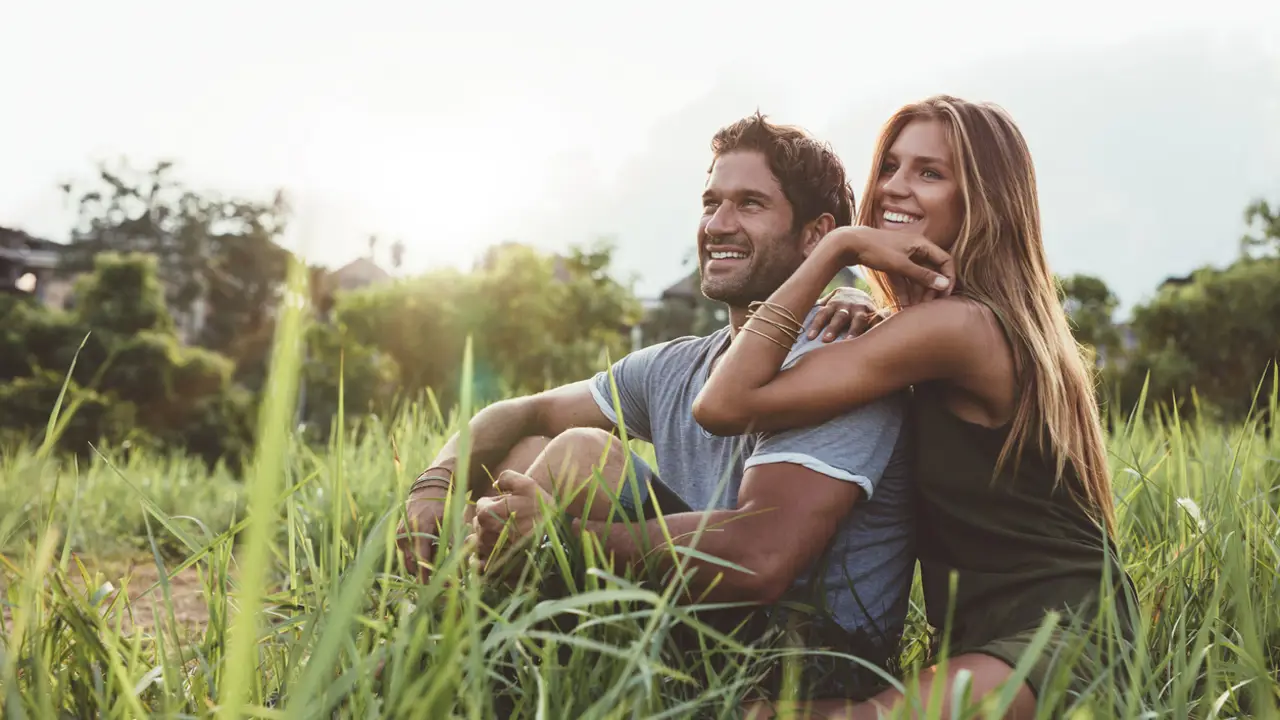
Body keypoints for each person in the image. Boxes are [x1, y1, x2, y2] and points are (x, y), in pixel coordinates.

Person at [397, 112, 917, 701]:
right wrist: (433, 485)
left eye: (749, 204)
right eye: (710, 202)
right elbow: (523, 411)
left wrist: (557, 538)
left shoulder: (843, 358)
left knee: (576, 457)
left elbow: (761, 559)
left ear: (816, 234)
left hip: (807, 663)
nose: (718, 224)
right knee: (525, 452)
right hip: (702, 631)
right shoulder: (677, 364)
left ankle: (446, 666)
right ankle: (475, 660)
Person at [692, 95, 1135, 718]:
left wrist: (835, 250)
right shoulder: (950, 327)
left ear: (982, 200)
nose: (895, 189)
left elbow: (724, 401)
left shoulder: (959, 329)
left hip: (1060, 639)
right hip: (995, 640)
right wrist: (872, 311)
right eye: (892, 167)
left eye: (929, 172)